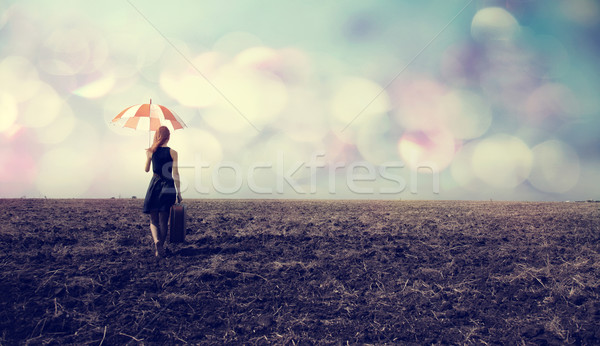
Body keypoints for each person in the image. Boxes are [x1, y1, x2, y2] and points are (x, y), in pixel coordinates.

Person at [142, 126, 182, 257]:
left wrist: (148, 156)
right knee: (164, 221)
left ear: (156, 136)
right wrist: (179, 192)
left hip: (155, 184)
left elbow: (147, 170)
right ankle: (161, 248)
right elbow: (175, 174)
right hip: (168, 186)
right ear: (168, 137)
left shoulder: (151, 151)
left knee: (153, 220)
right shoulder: (173, 152)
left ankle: (156, 241)